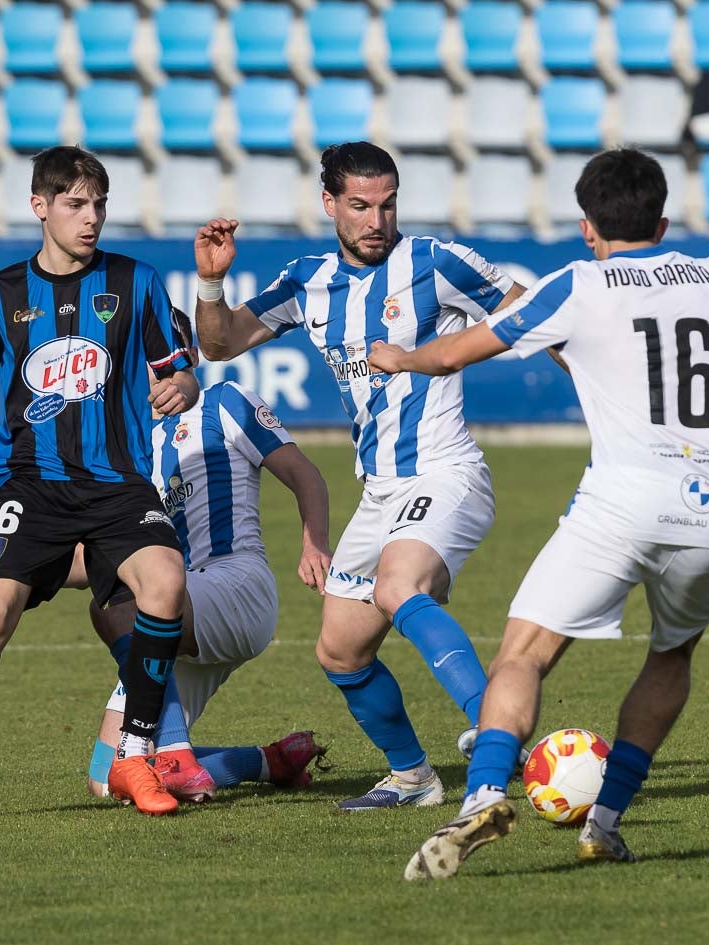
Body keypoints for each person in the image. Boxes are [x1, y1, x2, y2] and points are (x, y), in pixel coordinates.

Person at [371, 147, 709, 880]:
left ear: (587, 225)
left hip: (623, 497)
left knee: (523, 654)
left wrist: (398, 359)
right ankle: (603, 822)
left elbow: (456, 354)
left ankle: (483, 794)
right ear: (661, 220)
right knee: (670, 654)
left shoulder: (577, 283)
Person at [192, 142, 528, 810]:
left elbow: (537, 318)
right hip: (378, 492)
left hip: (445, 470)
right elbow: (220, 344)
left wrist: (420, 356)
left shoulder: (436, 261)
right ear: (329, 204)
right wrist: (210, 283)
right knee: (339, 650)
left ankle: (500, 733)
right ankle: (413, 775)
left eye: (387, 203)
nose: (377, 219)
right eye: (360, 205)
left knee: (399, 585)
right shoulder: (308, 280)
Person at [0, 145, 198, 824]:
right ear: (40, 206)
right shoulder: (0, 293)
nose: (91, 216)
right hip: (28, 483)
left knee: (164, 583)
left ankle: (135, 755)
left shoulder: (138, 281)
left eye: (99, 203)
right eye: (75, 203)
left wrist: (181, 387)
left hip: (118, 482)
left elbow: (179, 371)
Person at [0, 375, 333, 802]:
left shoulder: (224, 401)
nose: (152, 370)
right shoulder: (124, 443)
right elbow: (94, 559)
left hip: (234, 585)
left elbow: (304, 474)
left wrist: (314, 543)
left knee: (116, 603)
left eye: (165, 359)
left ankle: (175, 753)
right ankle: (270, 762)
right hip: (171, 614)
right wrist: (18, 550)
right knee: (108, 780)